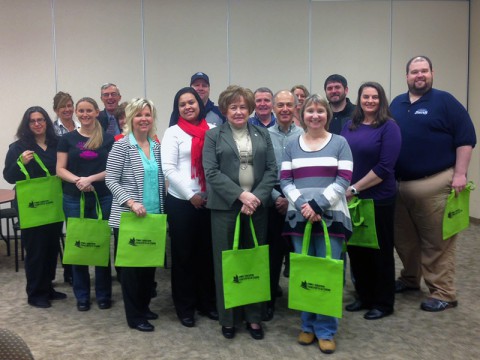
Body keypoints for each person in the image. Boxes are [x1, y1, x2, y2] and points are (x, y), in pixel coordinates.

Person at [390, 55, 476, 312]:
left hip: (435, 183)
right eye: (414, 71)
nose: (419, 75)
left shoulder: (445, 101)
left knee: (437, 241)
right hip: (400, 186)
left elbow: (466, 138)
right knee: (404, 240)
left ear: (432, 73)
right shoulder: (397, 103)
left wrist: (460, 174)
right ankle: (410, 278)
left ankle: (444, 292)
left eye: (424, 71)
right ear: (407, 76)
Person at [203, 85, 277, 340]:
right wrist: (241, 195)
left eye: (243, 107)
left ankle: (254, 317)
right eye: (233, 107)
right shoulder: (214, 136)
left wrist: (255, 197)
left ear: (250, 109)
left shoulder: (261, 133)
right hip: (225, 208)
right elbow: (211, 172)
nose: (238, 111)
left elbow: (271, 170)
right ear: (224, 110)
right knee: (226, 262)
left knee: (254, 260)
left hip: (256, 207)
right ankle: (228, 317)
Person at [281, 94, 352, 354]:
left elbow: (343, 179)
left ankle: (326, 330)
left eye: (320, 111)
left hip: (330, 218)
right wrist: (304, 205)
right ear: (303, 114)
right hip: (299, 217)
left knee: (327, 273)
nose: (314, 115)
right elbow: (285, 179)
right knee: (304, 272)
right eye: (310, 110)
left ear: (327, 115)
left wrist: (318, 205)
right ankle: (307, 326)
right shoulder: (291, 144)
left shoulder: (340, 143)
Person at [341, 82, 401, 320]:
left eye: (374, 97)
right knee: (357, 250)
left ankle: (383, 302)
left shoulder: (389, 127)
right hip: (352, 199)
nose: (369, 101)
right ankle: (364, 296)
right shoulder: (350, 125)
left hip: (378, 200)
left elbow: (385, 167)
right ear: (359, 98)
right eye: (365, 96)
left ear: (381, 100)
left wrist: (354, 188)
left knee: (380, 252)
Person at [106, 98, 165, 332]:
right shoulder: (121, 145)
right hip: (129, 217)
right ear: (130, 118)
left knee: (148, 268)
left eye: (148, 115)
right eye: (139, 115)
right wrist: (130, 202)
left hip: (153, 216)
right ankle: (134, 316)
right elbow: (110, 179)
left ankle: (144, 306)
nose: (144, 119)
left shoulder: (157, 146)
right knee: (132, 270)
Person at [161, 87, 217, 328]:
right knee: (183, 256)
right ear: (177, 109)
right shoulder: (172, 133)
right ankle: (185, 307)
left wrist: (205, 195)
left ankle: (206, 303)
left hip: (210, 202)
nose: (187, 107)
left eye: (191, 102)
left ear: (199, 104)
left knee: (206, 255)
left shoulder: (214, 131)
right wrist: (191, 195)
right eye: (182, 104)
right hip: (182, 202)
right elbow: (169, 169)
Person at [3, 107, 66, 308]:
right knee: (36, 249)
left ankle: (47, 287)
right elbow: (10, 176)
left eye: (41, 120)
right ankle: (35, 293)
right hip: (30, 205)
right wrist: (20, 162)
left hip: (53, 203)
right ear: (27, 125)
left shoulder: (57, 144)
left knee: (51, 247)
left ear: (47, 122)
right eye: (33, 121)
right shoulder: (18, 148)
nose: (37, 124)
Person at [56, 97, 114, 312]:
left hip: (103, 197)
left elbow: (113, 170)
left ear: (97, 112)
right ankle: (82, 295)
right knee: (78, 246)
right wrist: (78, 181)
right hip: (73, 197)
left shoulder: (108, 140)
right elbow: (60, 169)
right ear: (77, 113)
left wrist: (91, 179)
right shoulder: (67, 139)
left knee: (99, 246)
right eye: (81, 111)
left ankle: (103, 294)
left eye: (89, 110)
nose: (85, 114)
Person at [265, 90, 303, 320]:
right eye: (280, 105)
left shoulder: (304, 135)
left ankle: (301, 301)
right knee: (271, 254)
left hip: (298, 201)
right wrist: (275, 197)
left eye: (289, 104)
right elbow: (261, 171)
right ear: (273, 108)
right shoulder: (263, 134)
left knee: (298, 253)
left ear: (296, 107)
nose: (285, 109)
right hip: (271, 200)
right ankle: (268, 301)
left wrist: (291, 200)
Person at [52, 91, 80, 285]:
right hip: (62, 184)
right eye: (63, 106)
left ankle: (83, 265)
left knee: (83, 229)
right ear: (56, 110)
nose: (67, 109)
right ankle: (69, 271)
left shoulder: (82, 126)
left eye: (70, 105)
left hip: (83, 182)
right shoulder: (52, 132)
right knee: (70, 231)